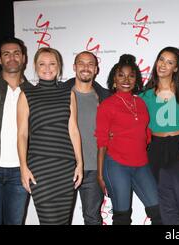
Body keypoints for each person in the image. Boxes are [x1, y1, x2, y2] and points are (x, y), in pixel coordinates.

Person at [17, 47, 83, 225]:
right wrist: (23, 166)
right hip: (40, 169)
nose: (47, 68)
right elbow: (22, 134)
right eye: (42, 64)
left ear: (59, 66)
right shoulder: (26, 94)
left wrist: (80, 163)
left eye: (52, 63)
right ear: (35, 66)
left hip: (65, 167)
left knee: (63, 221)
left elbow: (73, 130)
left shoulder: (68, 94)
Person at [95, 54, 161, 225]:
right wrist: (101, 175)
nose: (126, 79)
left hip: (141, 165)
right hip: (116, 165)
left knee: (159, 212)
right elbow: (102, 142)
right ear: (114, 79)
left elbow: (145, 133)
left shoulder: (140, 103)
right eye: (121, 75)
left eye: (131, 75)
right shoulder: (107, 105)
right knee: (122, 217)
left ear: (136, 79)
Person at [0, 37, 32, 225]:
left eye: (16, 53)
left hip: (21, 173)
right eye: (6, 54)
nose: (11, 57)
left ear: (24, 58)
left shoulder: (33, 91)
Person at [62, 51, 110, 225]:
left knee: (93, 218)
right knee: (60, 218)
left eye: (90, 64)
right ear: (74, 67)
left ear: (96, 69)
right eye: (81, 63)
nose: (85, 67)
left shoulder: (105, 96)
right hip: (65, 167)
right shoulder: (60, 93)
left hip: (94, 168)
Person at [140, 47, 179, 181]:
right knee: (159, 193)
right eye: (161, 59)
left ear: (176, 68)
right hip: (155, 148)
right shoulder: (145, 95)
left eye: (170, 62)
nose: (163, 64)